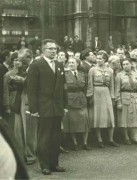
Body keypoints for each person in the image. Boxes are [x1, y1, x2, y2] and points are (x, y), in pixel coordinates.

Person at [27, 39, 68, 175]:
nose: (53, 51)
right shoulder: (36, 65)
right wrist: (34, 109)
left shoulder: (59, 65)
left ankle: (54, 163)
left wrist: (65, 105)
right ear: (43, 50)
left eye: (55, 49)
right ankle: (44, 165)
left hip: (57, 107)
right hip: (43, 107)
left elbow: (63, 88)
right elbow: (31, 89)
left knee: (56, 137)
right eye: (50, 48)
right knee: (44, 137)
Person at [87, 51, 118, 148]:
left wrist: (113, 97)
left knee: (110, 116)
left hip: (106, 93)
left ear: (105, 59)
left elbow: (112, 85)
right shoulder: (92, 70)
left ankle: (110, 139)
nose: (98, 60)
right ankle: (99, 140)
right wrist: (90, 95)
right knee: (98, 116)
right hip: (96, 92)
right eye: (97, 58)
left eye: (101, 58)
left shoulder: (110, 71)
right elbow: (90, 83)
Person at [63, 58, 91, 151]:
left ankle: (85, 143)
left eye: (73, 62)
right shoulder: (65, 74)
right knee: (72, 122)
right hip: (70, 99)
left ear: (77, 64)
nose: (71, 64)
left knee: (85, 121)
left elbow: (86, 87)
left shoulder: (83, 75)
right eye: (69, 62)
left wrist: (87, 98)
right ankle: (74, 143)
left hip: (81, 99)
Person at [115, 59, 137, 145]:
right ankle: (126, 137)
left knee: (136, 118)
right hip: (124, 97)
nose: (125, 66)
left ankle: (134, 137)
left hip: (134, 98)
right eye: (123, 64)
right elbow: (117, 90)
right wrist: (118, 102)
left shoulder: (136, 75)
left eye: (127, 64)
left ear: (130, 65)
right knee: (124, 119)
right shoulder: (119, 75)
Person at [0, 50, 11, 120]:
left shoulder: (7, 68)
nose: (11, 58)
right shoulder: (2, 69)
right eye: (10, 57)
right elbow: (2, 87)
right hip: (3, 101)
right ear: (7, 57)